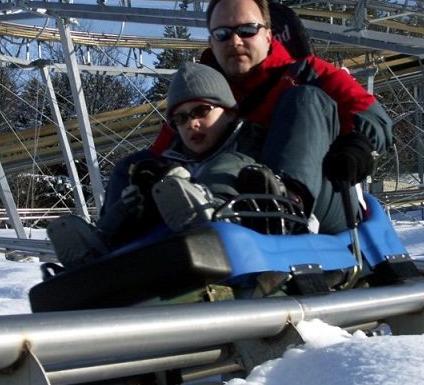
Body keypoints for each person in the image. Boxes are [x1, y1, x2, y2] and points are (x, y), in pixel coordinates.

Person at [195, 0, 394, 234]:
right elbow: (165, 149)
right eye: (223, 33)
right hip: (235, 204)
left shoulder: (308, 73)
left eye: (247, 31)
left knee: (303, 98)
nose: (235, 41)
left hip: (321, 200)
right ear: (211, 42)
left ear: (268, 35)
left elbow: (373, 116)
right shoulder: (201, 97)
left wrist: (358, 145)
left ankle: (286, 203)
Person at [48, 62, 290, 266]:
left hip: (242, 224)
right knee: (138, 175)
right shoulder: (171, 158)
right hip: (171, 236)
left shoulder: (250, 142)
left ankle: (212, 212)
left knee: (227, 163)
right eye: (180, 118)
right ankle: (101, 244)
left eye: (201, 111)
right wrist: (136, 199)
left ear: (228, 111)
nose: (191, 124)